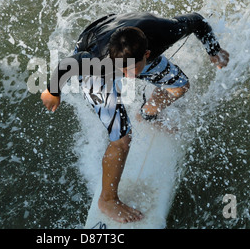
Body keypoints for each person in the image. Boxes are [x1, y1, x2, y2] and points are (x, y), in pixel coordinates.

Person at [40, 12, 229, 223]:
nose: (128, 75)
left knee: (180, 85)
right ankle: (107, 200)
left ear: (148, 54)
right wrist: (52, 91)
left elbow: (196, 20)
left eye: (132, 69)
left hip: (128, 37)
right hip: (96, 44)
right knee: (122, 139)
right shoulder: (95, 62)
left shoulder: (164, 31)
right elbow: (69, 64)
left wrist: (214, 50)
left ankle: (147, 114)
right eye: (123, 70)